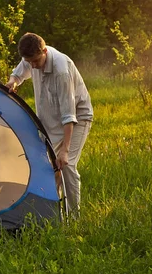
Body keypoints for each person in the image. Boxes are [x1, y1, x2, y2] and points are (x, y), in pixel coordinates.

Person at [5, 33, 92, 217]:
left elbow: (69, 115)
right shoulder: (31, 59)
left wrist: (64, 150)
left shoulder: (61, 70)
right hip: (50, 121)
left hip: (78, 118)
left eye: (36, 61)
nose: (33, 66)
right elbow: (18, 74)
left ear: (44, 51)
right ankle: (54, 216)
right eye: (30, 62)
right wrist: (12, 82)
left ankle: (74, 219)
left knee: (66, 165)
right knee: (48, 167)